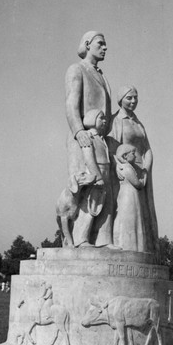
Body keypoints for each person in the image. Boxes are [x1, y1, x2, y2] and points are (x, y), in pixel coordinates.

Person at [64, 31, 115, 248]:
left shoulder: (102, 76)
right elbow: (71, 104)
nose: (105, 48)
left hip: (100, 140)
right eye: (100, 44)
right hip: (82, 137)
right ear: (88, 44)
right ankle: (80, 238)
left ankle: (103, 239)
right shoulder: (77, 69)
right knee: (89, 187)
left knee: (106, 190)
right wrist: (78, 131)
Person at [109, 85, 159, 255]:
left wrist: (146, 168)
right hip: (126, 172)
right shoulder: (115, 121)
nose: (133, 101)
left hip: (142, 171)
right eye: (129, 98)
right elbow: (113, 149)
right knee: (127, 209)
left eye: (135, 97)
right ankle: (125, 247)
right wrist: (123, 168)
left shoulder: (139, 123)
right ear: (120, 99)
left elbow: (147, 149)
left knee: (142, 213)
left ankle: (141, 249)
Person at [72, 109, 115, 247]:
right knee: (90, 207)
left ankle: (104, 241)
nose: (104, 121)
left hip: (106, 172)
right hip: (95, 175)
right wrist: (97, 177)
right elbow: (89, 159)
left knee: (107, 208)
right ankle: (81, 239)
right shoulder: (88, 137)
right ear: (92, 119)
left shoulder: (101, 139)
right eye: (101, 118)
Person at [113, 143, 148, 251]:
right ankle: (129, 246)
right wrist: (144, 177)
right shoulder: (127, 168)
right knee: (130, 220)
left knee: (128, 220)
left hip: (127, 195)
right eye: (133, 153)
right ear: (125, 156)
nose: (135, 156)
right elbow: (137, 184)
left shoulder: (123, 167)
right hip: (129, 196)